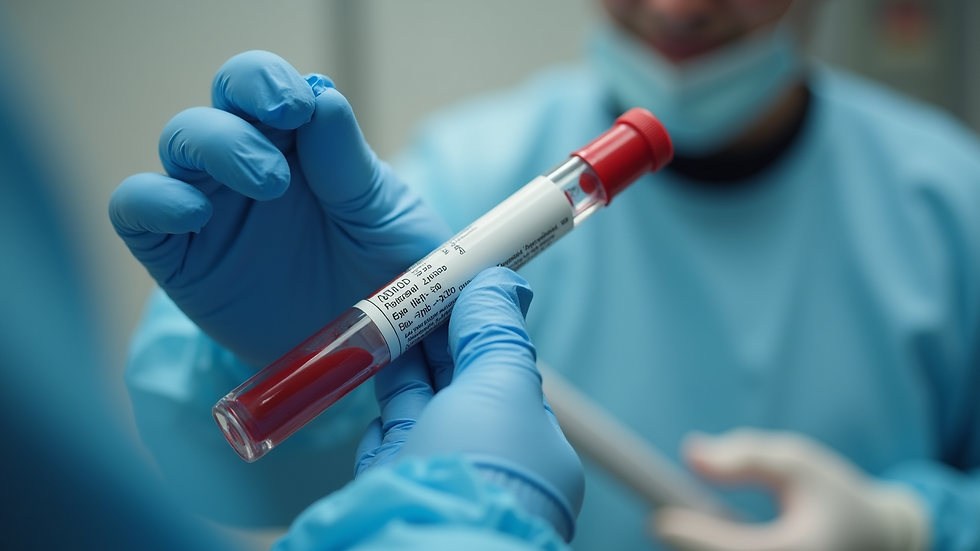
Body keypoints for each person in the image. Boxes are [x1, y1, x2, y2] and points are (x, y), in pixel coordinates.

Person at [110, 1, 980, 550]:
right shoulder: (469, 165)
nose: (677, 8)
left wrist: (909, 530)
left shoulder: (949, 194)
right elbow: (234, 482)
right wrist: (264, 362)